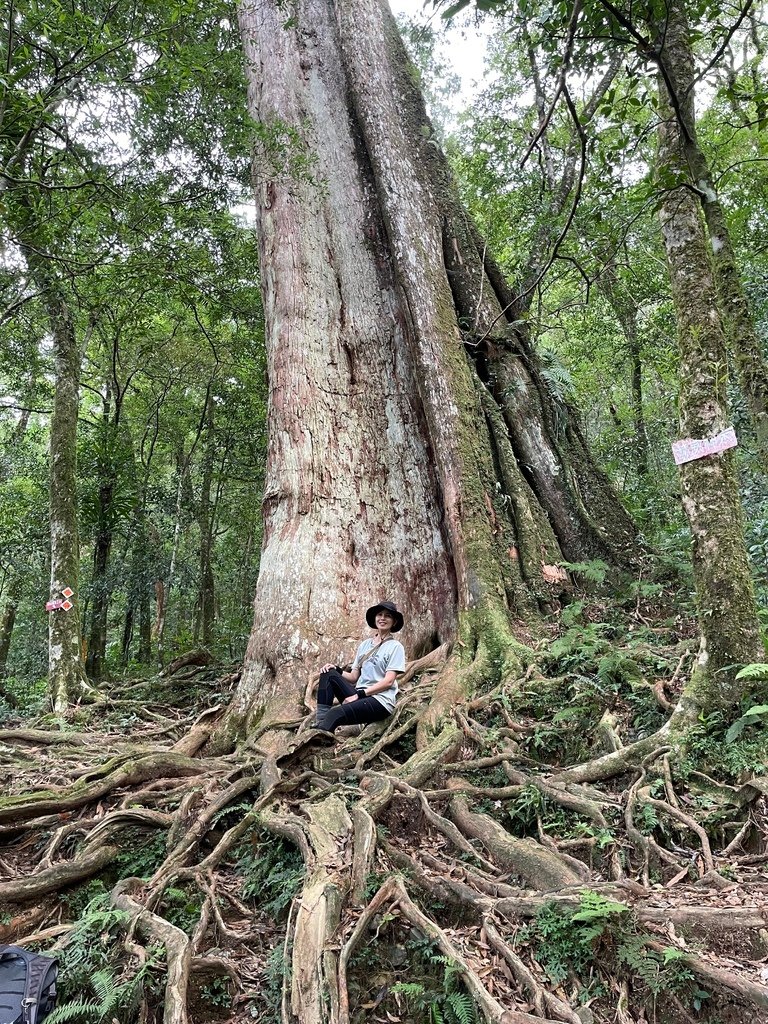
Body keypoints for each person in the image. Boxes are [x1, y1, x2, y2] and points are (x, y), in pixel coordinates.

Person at [315, 601, 406, 734]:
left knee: (334, 714)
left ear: (394, 621)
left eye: (387, 616)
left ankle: (320, 736)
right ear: (374, 619)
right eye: (379, 615)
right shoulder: (365, 645)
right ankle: (320, 723)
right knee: (328, 673)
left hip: (380, 700)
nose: (382, 618)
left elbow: (388, 682)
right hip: (359, 696)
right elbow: (353, 678)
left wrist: (359, 694)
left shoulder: (395, 647)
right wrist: (336, 669)